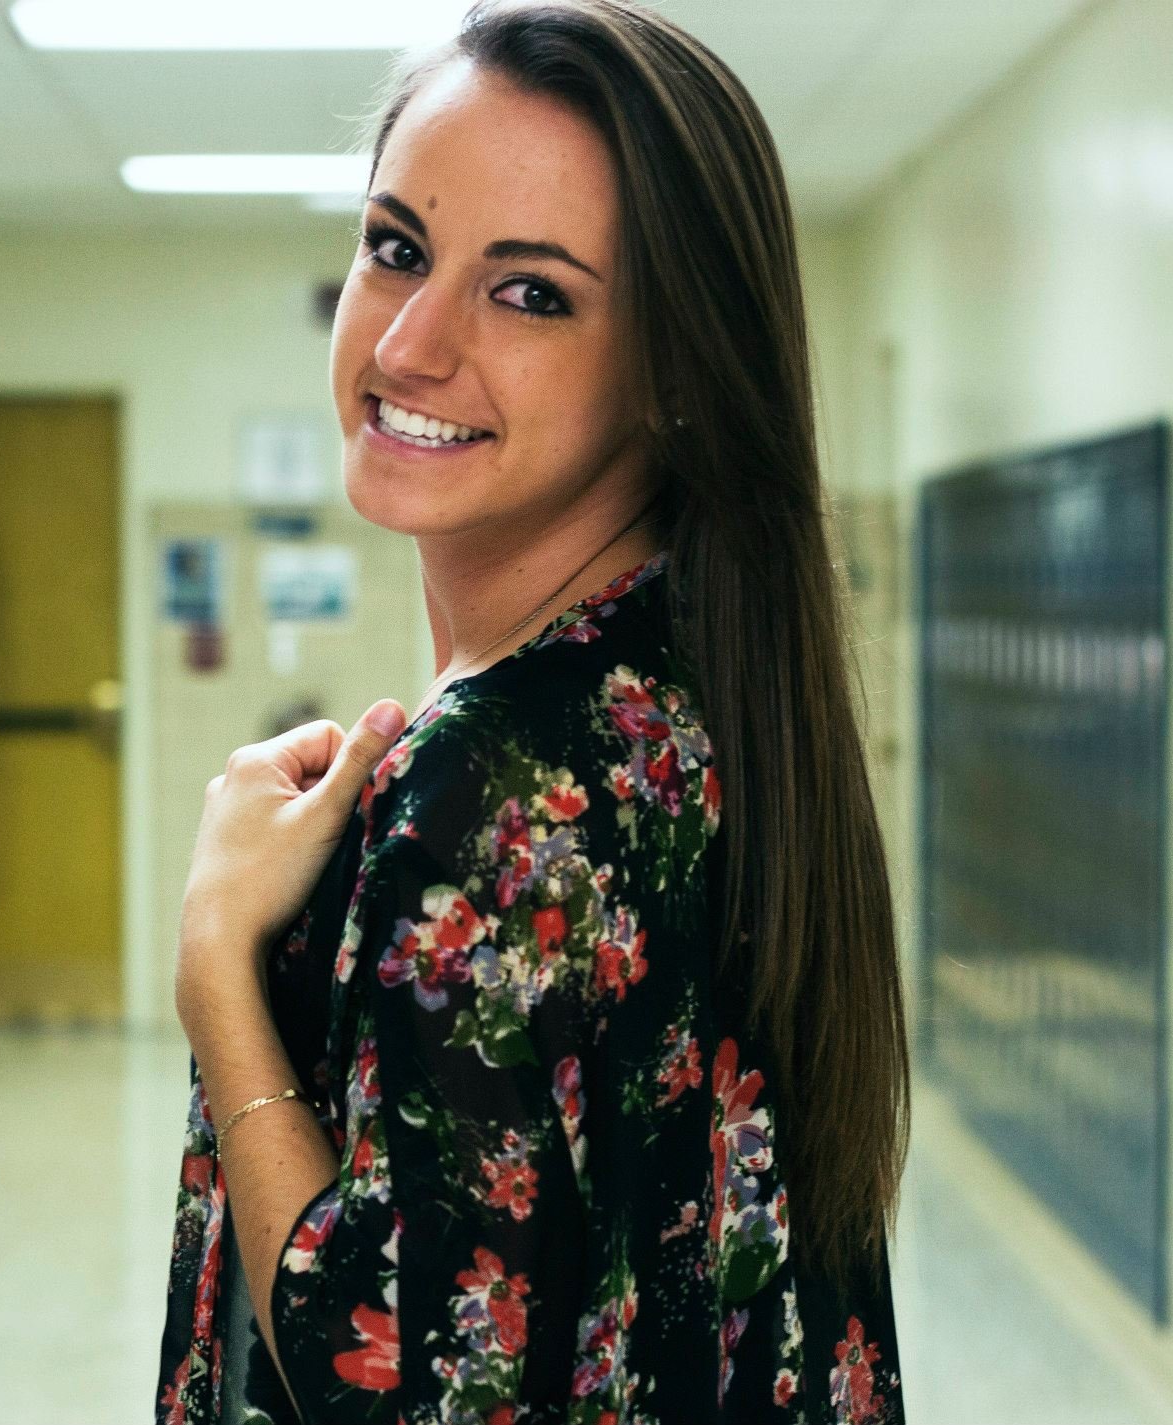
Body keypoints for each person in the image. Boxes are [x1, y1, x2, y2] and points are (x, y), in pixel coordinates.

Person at [154, 2, 912, 1421]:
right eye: (396, 249)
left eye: (531, 291)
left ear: (676, 369)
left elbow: (393, 1383)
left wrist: (218, 968)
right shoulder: (701, 698)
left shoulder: (491, 786)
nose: (412, 340)